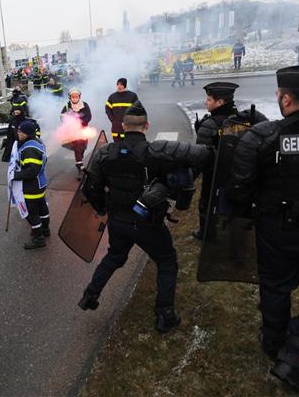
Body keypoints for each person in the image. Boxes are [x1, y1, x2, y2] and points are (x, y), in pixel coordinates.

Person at [227, 65, 299, 391]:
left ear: (285, 98)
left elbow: (239, 189)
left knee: (275, 287)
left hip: (276, 230)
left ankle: (276, 347)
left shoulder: (261, 137)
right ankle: (296, 353)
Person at [78, 101, 211, 333]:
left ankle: (90, 295)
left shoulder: (105, 153)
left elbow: (91, 187)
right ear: (146, 126)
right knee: (166, 261)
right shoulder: (156, 151)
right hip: (147, 223)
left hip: (118, 221)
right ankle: (165, 315)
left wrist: (102, 209)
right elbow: (199, 155)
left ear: (123, 126)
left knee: (114, 256)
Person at [192, 82, 267, 240]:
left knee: (207, 203)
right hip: (243, 173)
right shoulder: (247, 119)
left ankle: (207, 235)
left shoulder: (210, 125)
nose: (206, 102)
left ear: (220, 102)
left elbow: (201, 158)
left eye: (209, 99)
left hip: (216, 176)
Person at [12, 120, 50, 249]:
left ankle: (38, 238)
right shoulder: (37, 142)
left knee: (31, 213)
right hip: (40, 182)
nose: (18, 133)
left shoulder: (29, 149)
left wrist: (15, 175)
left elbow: (31, 171)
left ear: (26, 133)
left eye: (20, 131)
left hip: (32, 186)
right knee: (42, 207)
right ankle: (45, 230)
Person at [61, 88, 92, 179]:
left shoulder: (85, 105)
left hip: (83, 129)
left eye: (76, 96)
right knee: (77, 148)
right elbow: (62, 117)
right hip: (73, 132)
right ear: (70, 97)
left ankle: (79, 161)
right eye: (73, 96)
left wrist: (81, 122)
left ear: (79, 96)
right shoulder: (67, 106)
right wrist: (70, 123)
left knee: (83, 147)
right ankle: (80, 167)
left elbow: (89, 116)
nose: (74, 98)